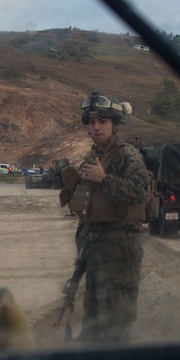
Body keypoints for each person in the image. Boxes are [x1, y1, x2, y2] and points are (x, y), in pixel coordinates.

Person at [60, 91, 152, 344]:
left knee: (114, 324)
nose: (96, 127)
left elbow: (142, 193)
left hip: (121, 248)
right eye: (91, 122)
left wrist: (105, 179)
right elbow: (87, 211)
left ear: (114, 123)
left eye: (103, 122)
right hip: (95, 249)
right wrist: (81, 254)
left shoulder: (128, 155)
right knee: (93, 322)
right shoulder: (93, 157)